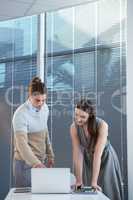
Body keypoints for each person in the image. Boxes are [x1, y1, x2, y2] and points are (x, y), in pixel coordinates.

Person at [70, 99, 123, 200]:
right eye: (76, 114)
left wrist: (94, 182)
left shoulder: (102, 125)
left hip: (105, 157)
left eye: (82, 117)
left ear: (90, 116)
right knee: (86, 189)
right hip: (88, 158)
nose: (78, 119)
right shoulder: (73, 127)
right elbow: (77, 153)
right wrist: (78, 180)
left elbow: (97, 155)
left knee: (107, 189)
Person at [12, 77, 54, 187]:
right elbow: (22, 145)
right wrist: (37, 164)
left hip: (40, 162)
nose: (41, 103)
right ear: (30, 97)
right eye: (37, 100)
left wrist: (50, 155)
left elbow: (45, 132)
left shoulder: (45, 108)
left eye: (44, 100)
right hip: (24, 164)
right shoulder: (21, 114)